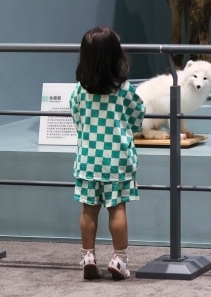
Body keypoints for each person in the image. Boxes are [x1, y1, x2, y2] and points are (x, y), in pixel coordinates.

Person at [70, 26, 146, 280]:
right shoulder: (125, 91)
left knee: (88, 209)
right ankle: (118, 259)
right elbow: (137, 119)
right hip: (117, 160)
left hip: (88, 159)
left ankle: (88, 256)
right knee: (117, 209)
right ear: (116, 57)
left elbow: (77, 119)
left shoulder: (79, 92)